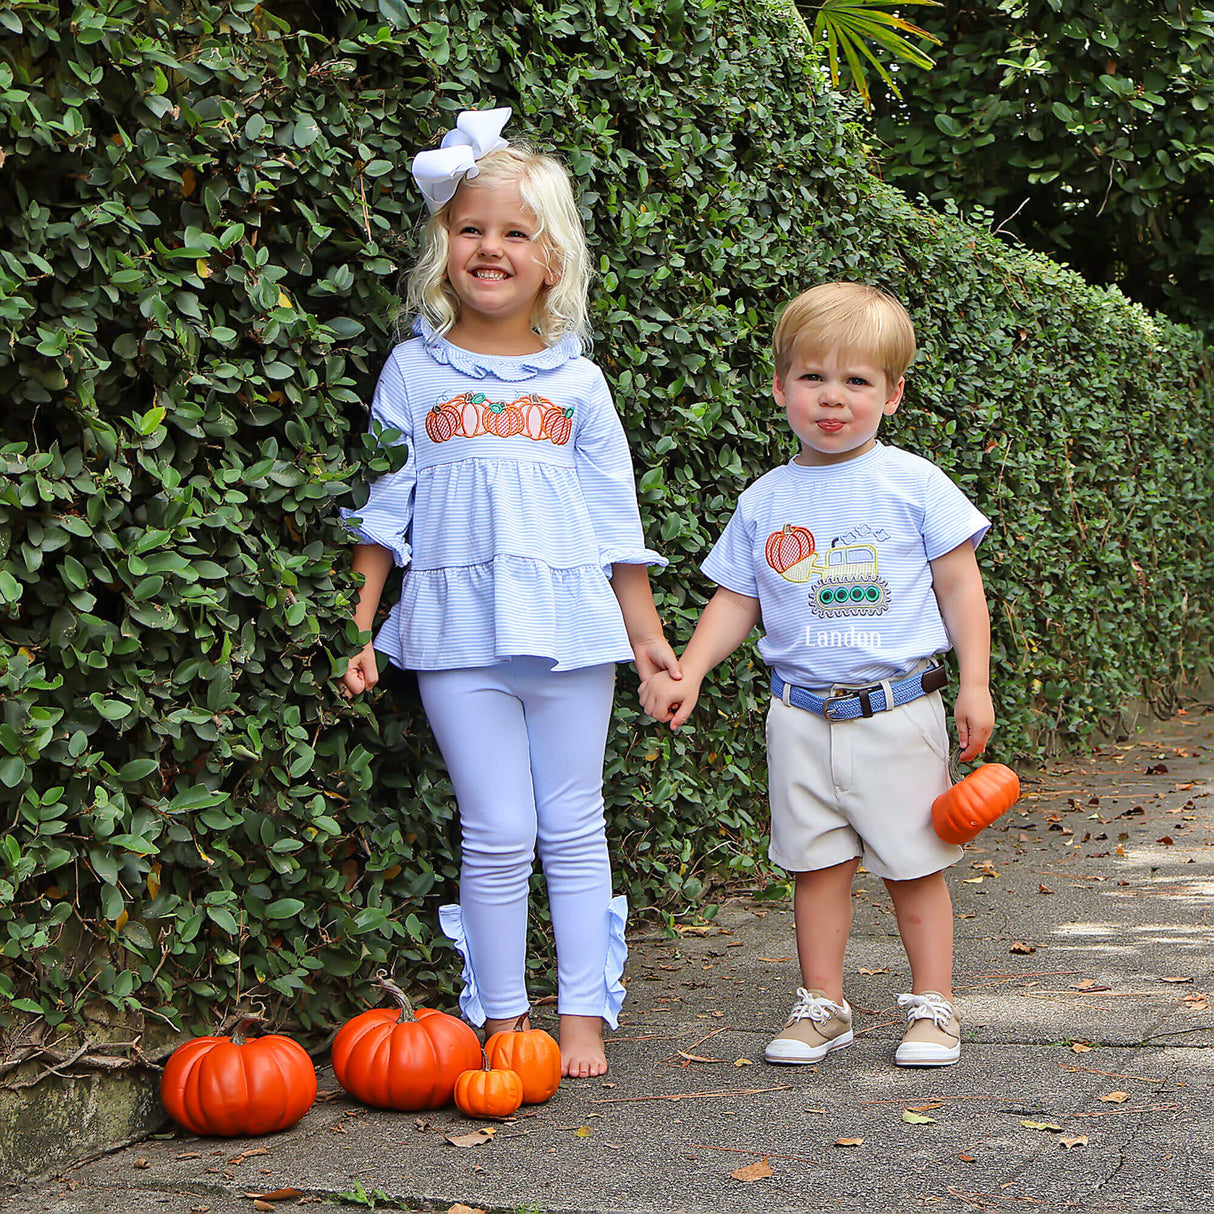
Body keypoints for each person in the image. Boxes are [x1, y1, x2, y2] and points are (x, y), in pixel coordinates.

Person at [340, 108, 679, 1077]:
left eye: (513, 232)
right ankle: (499, 1020)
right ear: (442, 246)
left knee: (572, 822)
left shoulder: (578, 385)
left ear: (551, 260)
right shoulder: (411, 372)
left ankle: (581, 1013)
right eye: (470, 228)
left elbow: (619, 532)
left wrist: (648, 642)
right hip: (453, 636)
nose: (489, 247)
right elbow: (381, 515)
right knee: (493, 829)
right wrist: (353, 629)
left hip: (573, 632)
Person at [640, 282, 994, 1068]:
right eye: (813, 378)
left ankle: (933, 1006)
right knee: (815, 865)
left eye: (857, 381)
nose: (833, 398)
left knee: (914, 864)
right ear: (780, 386)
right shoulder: (766, 498)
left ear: (893, 394)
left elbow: (960, 584)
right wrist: (691, 670)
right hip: (797, 715)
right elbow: (738, 597)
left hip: (896, 709)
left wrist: (976, 683)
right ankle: (823, 1005)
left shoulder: (914, 482)